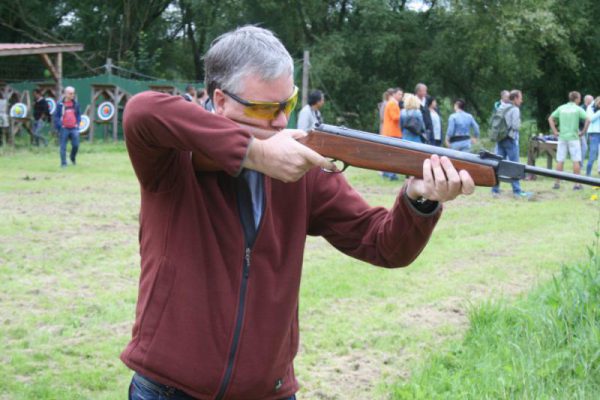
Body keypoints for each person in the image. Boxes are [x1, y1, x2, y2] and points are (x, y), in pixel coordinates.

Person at [121, 25, 475, 400]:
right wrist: (256, 154)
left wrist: (419, 198)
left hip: (267, 391)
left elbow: (382, 244)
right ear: (220, 101)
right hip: (168, 389)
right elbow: (142, 110)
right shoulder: (174, 157)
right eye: (264, 108)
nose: (279, 121)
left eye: (286, 105)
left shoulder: (303, 169)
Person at [491, 90, 533, 199]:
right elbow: (515, 126)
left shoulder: (502, 106)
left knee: (498, 164)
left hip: (500, 139)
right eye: (520, 98)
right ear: (514, 99)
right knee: (515, 165)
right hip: (510, 139)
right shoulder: (515, 109)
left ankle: (495, 190)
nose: (521, 100)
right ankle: (517, 191)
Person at [548, 91, 590, 190]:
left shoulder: (561, 108)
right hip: (574, 138)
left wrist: (555, 131)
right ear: (576, 99)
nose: (580, 100)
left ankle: (557, 183)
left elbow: (550, 118)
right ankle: (577, 184)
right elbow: (588, 119)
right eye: (579, 98)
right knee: (576, 160)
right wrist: (583, 132)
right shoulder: (578, 109)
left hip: (562, 137)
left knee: (560, 159)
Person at [53, 86, 81, 167]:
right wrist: (60, 126)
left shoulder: (75, 104)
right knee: (63, 147)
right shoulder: (60, 104)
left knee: (76, 145)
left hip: (74, 128)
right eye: (70, 93)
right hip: (64, 128)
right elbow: (56, 116)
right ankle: (63, 163)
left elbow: (78, 115)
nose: (73, 95)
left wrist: (77, 124)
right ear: (66, 94)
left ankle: (72, 157)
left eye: (73, 93)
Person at [585, 97, 600, 176]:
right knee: (593, 154)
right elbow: (591, 119)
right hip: (594, 133)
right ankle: (588, 173)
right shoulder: (590, 108)